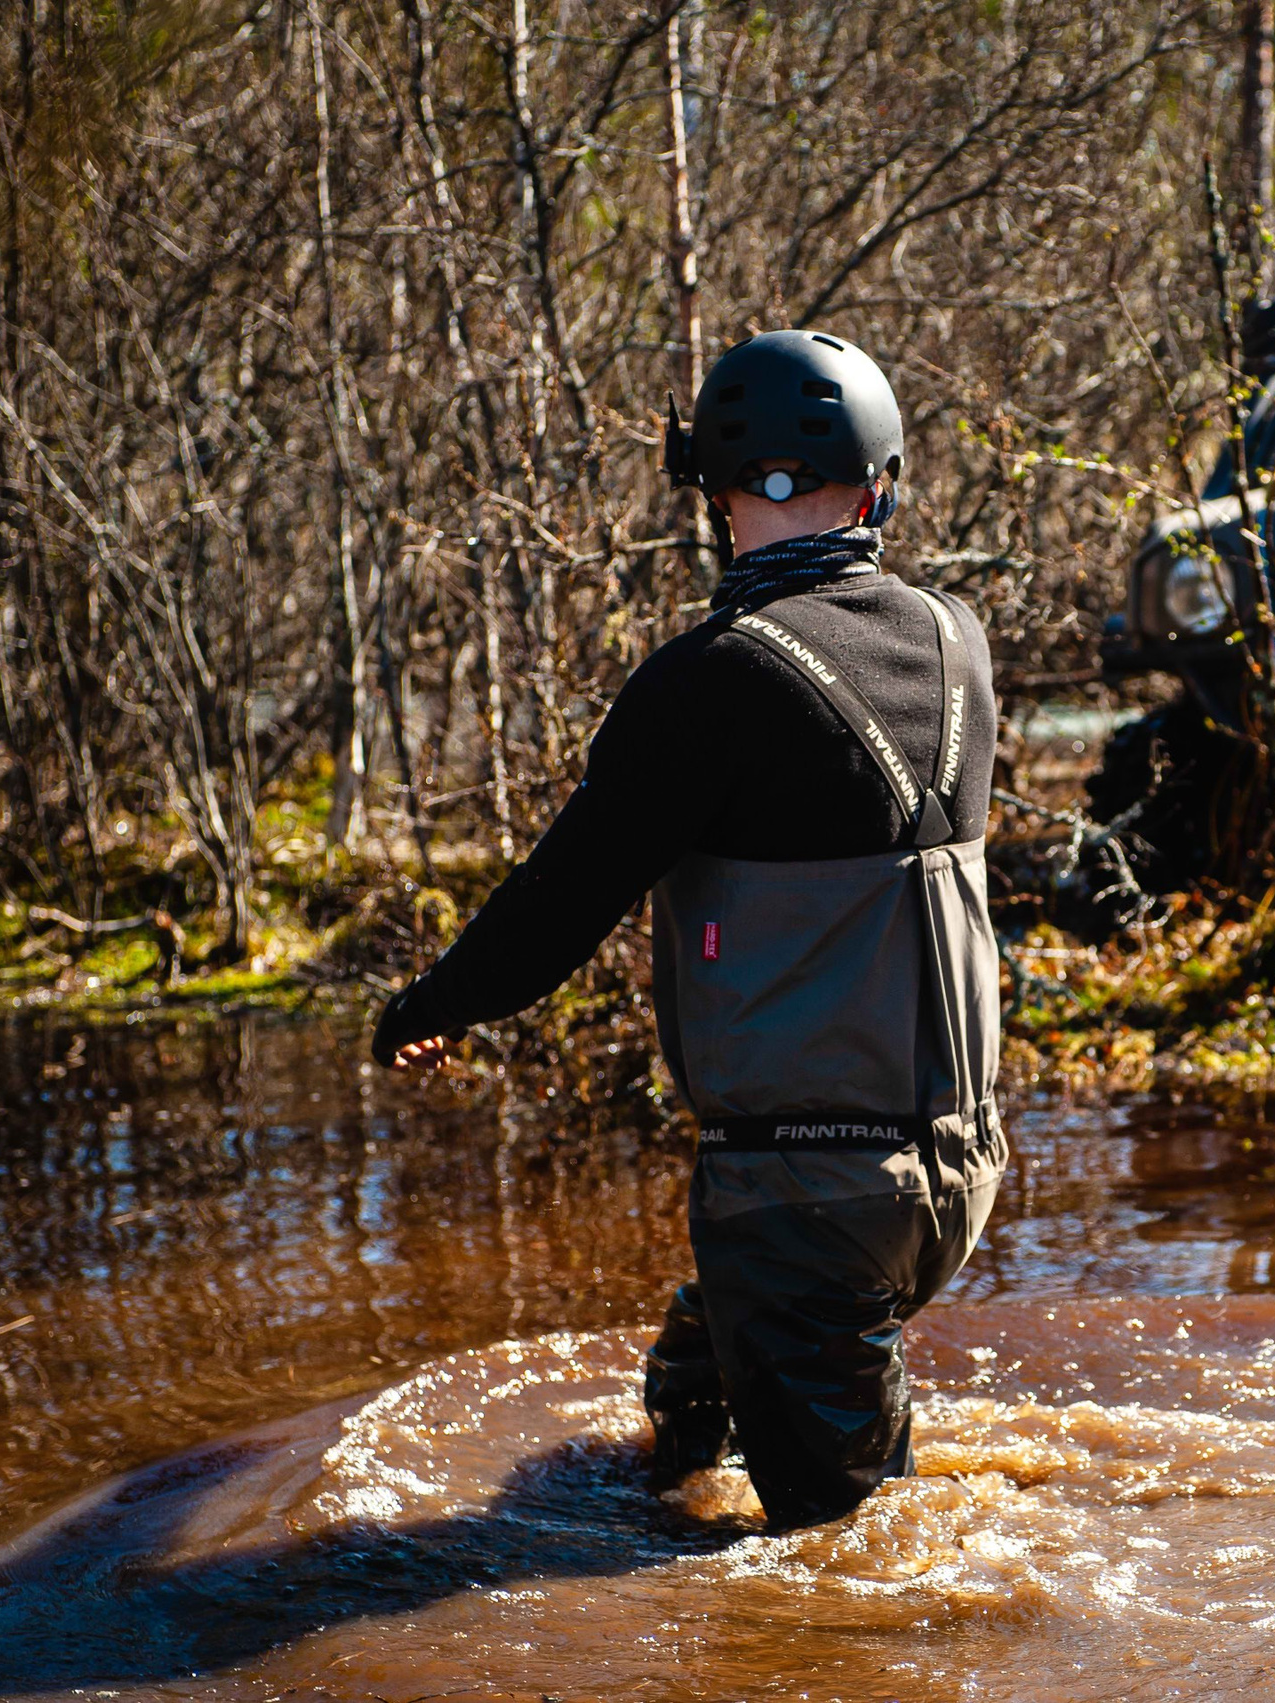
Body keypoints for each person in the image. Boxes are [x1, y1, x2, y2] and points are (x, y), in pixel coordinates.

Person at [370, 330, 1006, 1530]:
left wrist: (430, 1006)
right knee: (682, 1411)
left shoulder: (709, 683)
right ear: (882, 484)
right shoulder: (955, 639)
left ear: (712, 494)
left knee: (854, 1577)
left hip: (802, 1193)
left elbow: (560, 901)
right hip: (953, 1170)